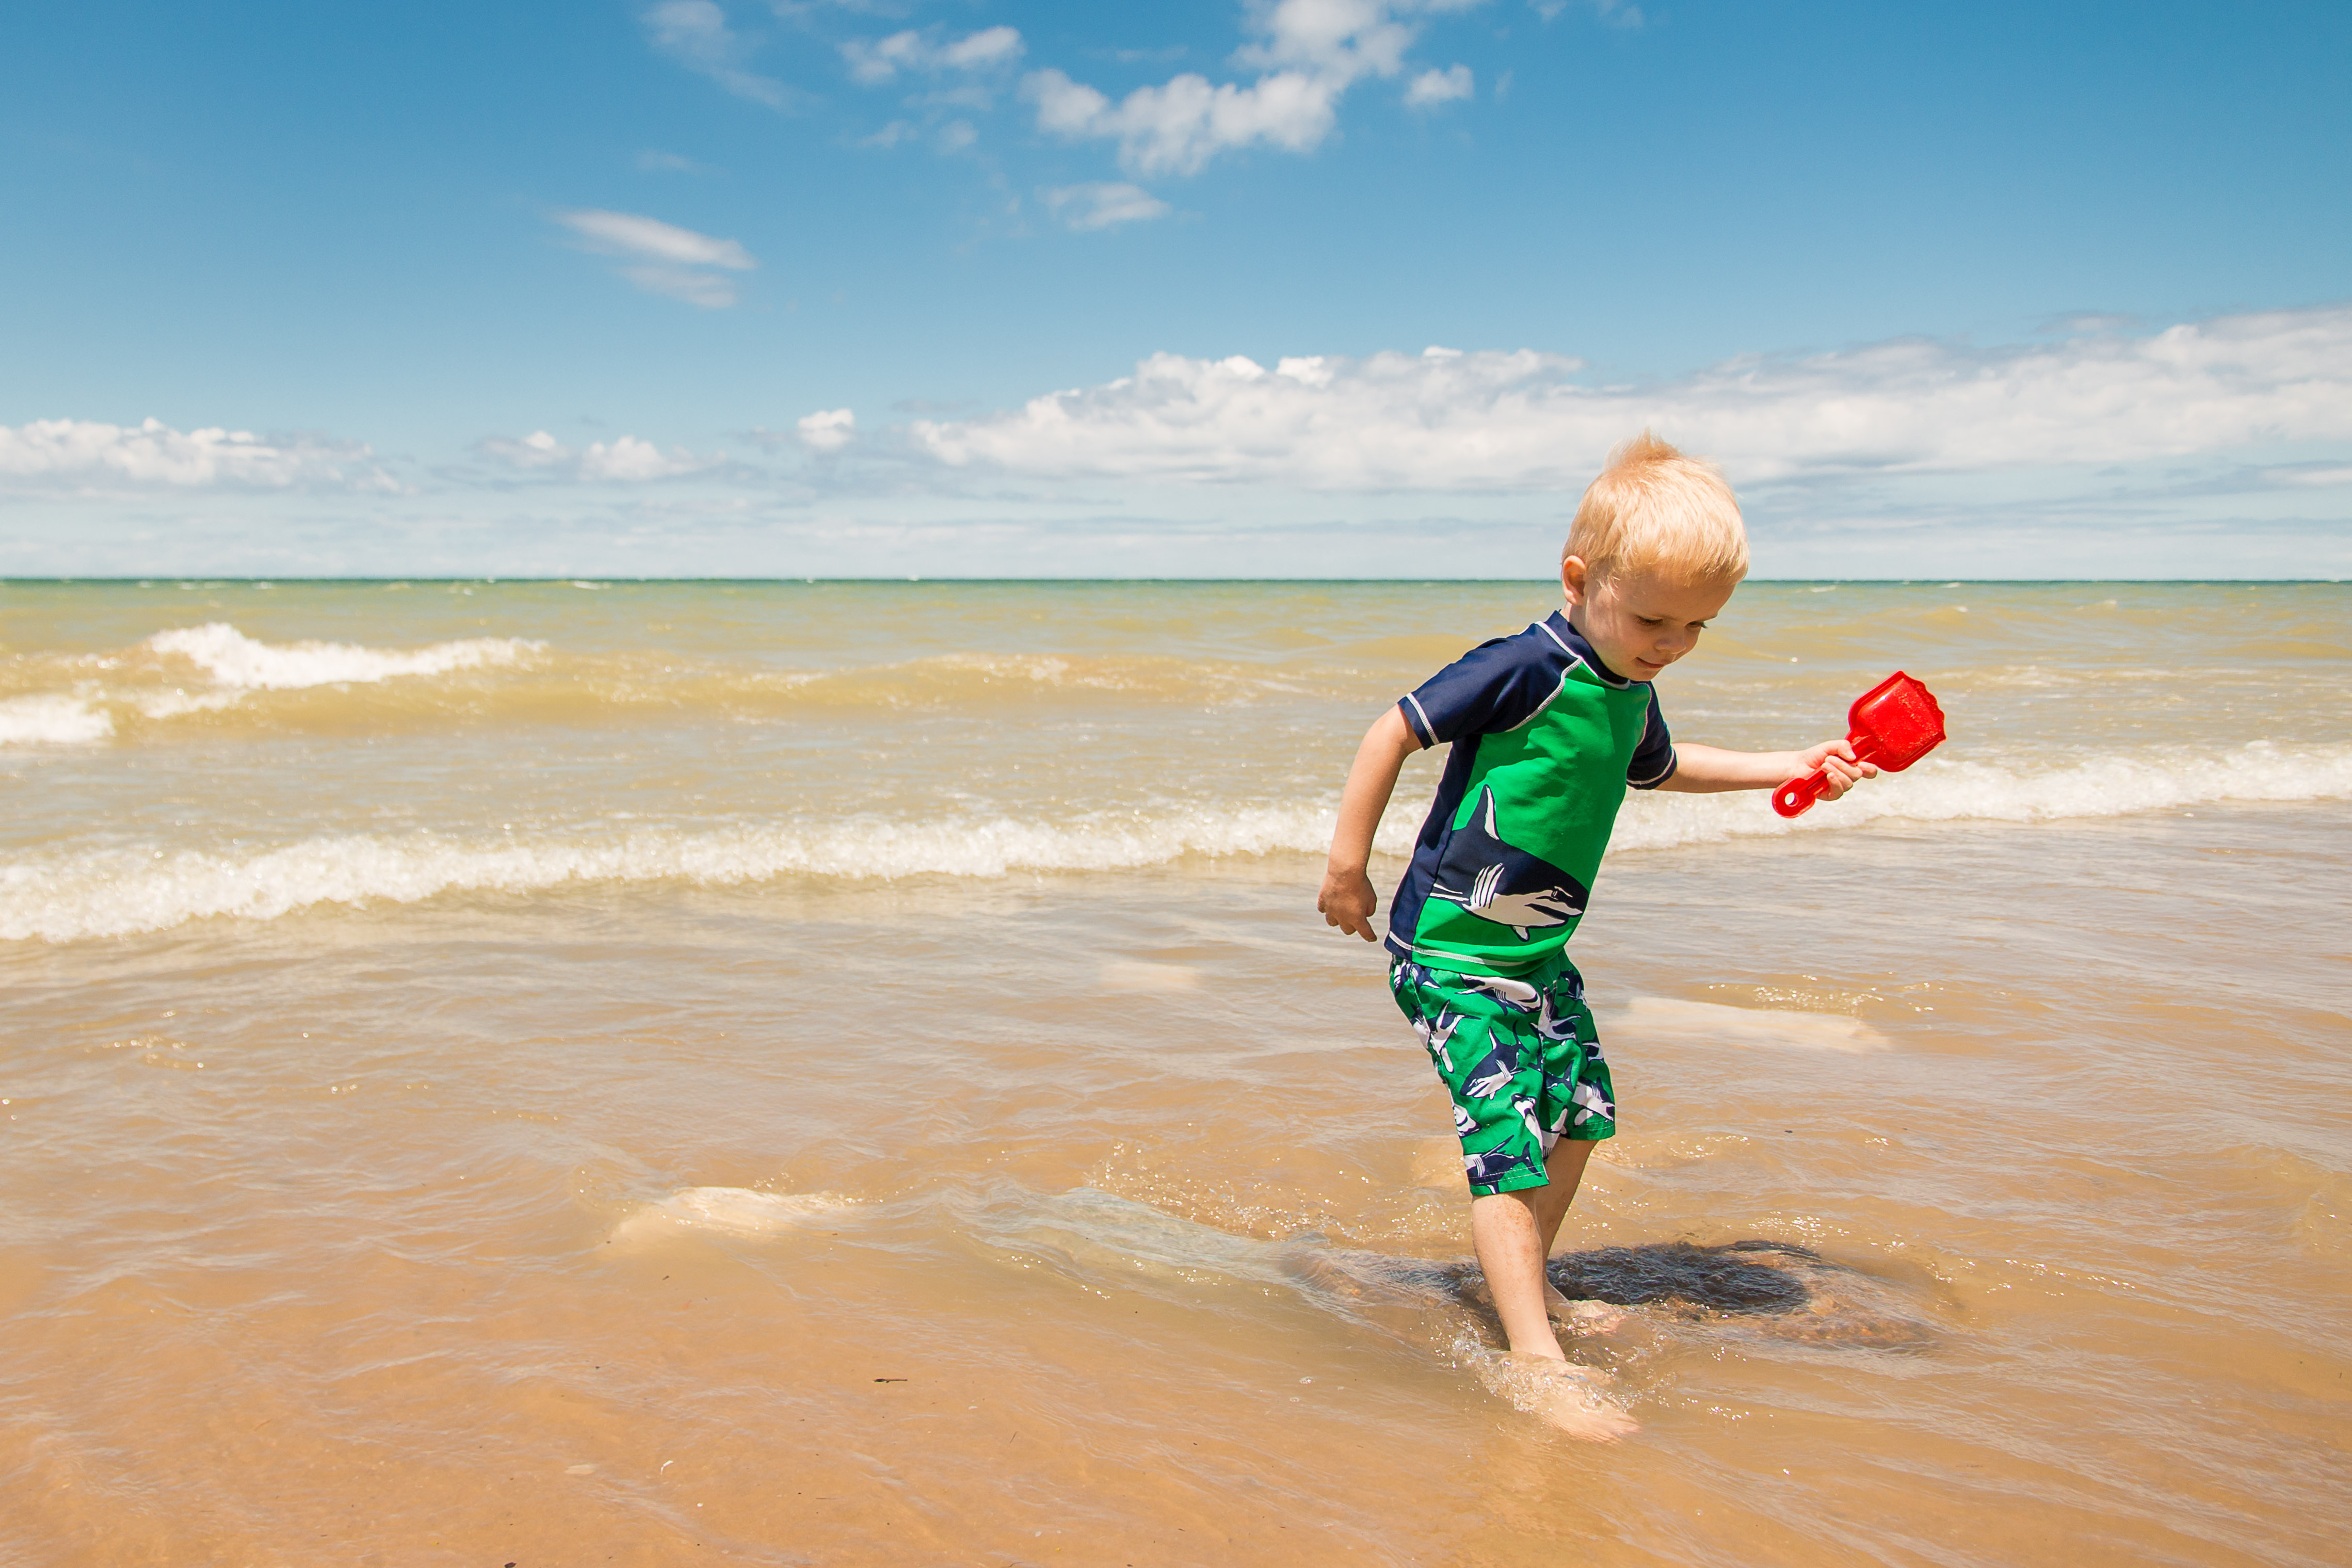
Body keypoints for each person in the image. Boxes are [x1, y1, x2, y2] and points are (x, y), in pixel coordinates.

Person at [1315, 432, 1877, 1437]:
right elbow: (1389, 730)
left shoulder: (1629, 685)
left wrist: (1787, 761)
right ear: (1578, 579)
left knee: (1578, 1112)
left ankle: (1530, 1284)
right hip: (1449, 952)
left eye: (1698, 627)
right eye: (1653, 617)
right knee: (1506, 1140)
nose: (1669, 643)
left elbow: (1657, 769)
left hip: (1533, 953)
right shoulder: (1525, 666)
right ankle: (1533, 1353)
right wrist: (1346, 865)